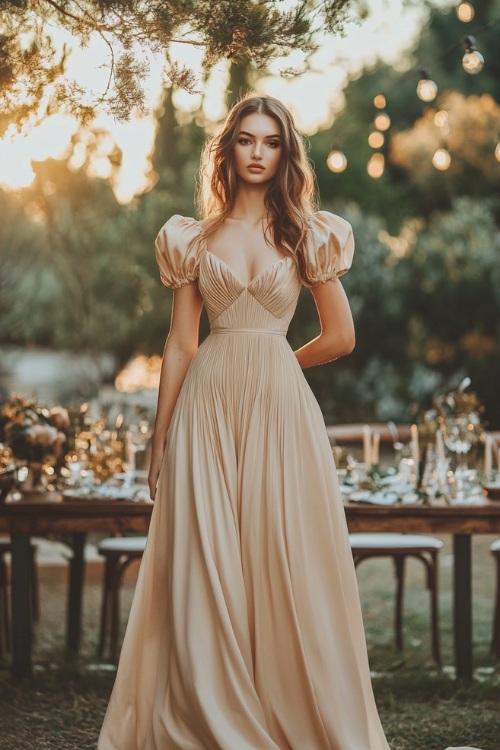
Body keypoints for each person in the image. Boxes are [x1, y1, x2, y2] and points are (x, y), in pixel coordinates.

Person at [98, 94, 391, 749]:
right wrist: (159, 434)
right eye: (246, 140)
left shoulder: (308, 235)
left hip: (280, 411)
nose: (258, 152)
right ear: (227, 150)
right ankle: (211, 710)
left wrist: (278, 361)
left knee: (282, 555)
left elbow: (340, 336)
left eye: (271, 142)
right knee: (208, 558)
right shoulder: (192, 239)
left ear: (285, 154)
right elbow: (180, 343)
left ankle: (282, 704)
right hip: (206, 407)